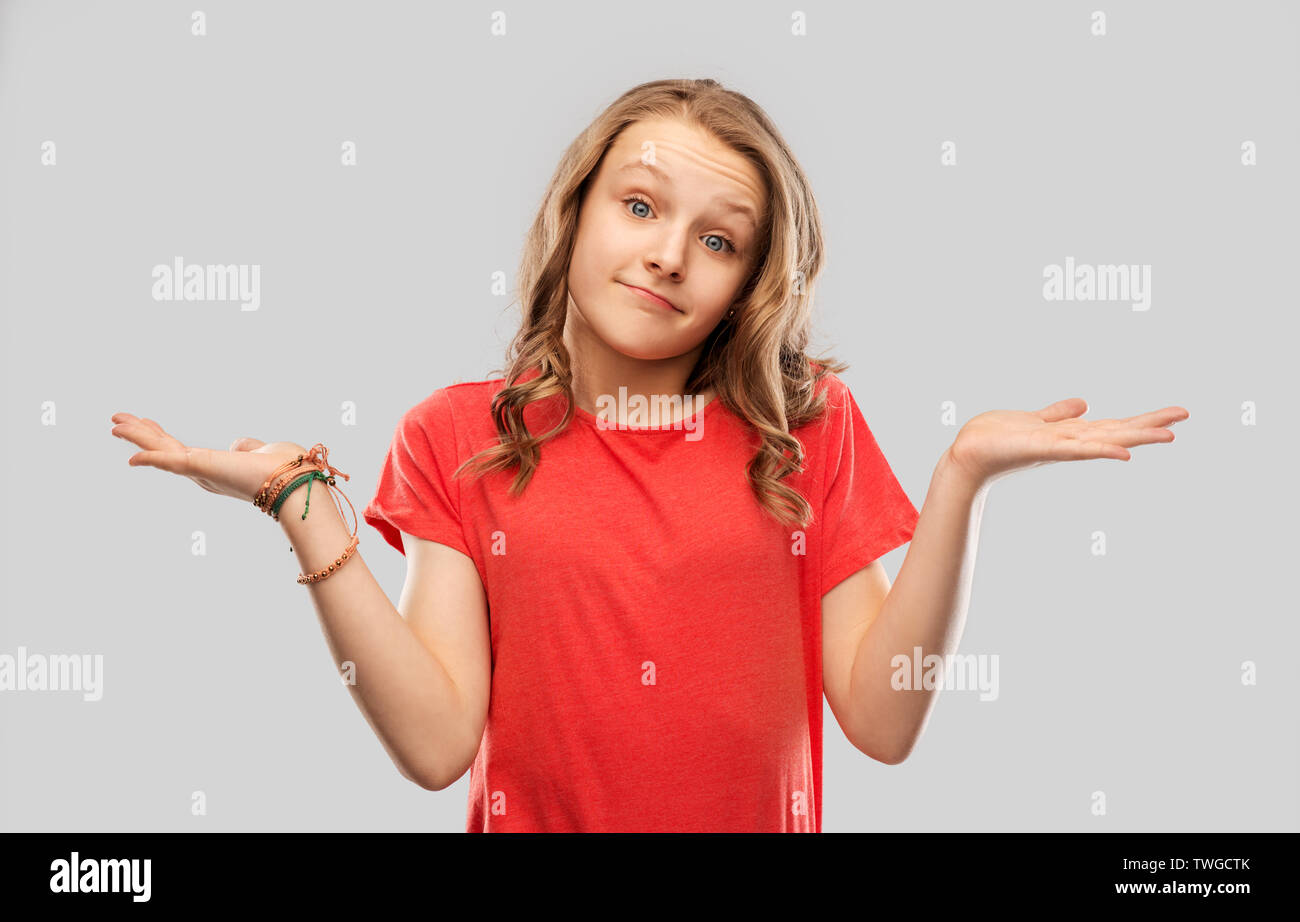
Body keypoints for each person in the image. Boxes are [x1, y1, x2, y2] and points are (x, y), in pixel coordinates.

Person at [110, 78, 1188, 833]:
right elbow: (438, 745)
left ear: (748, 282)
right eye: (638, 206)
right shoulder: (458, 433)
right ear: (575, 213)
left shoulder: (803, 428)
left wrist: (961, 478)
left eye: (719, 239)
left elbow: (883, 717)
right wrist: (304, 505)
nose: (668, 254)